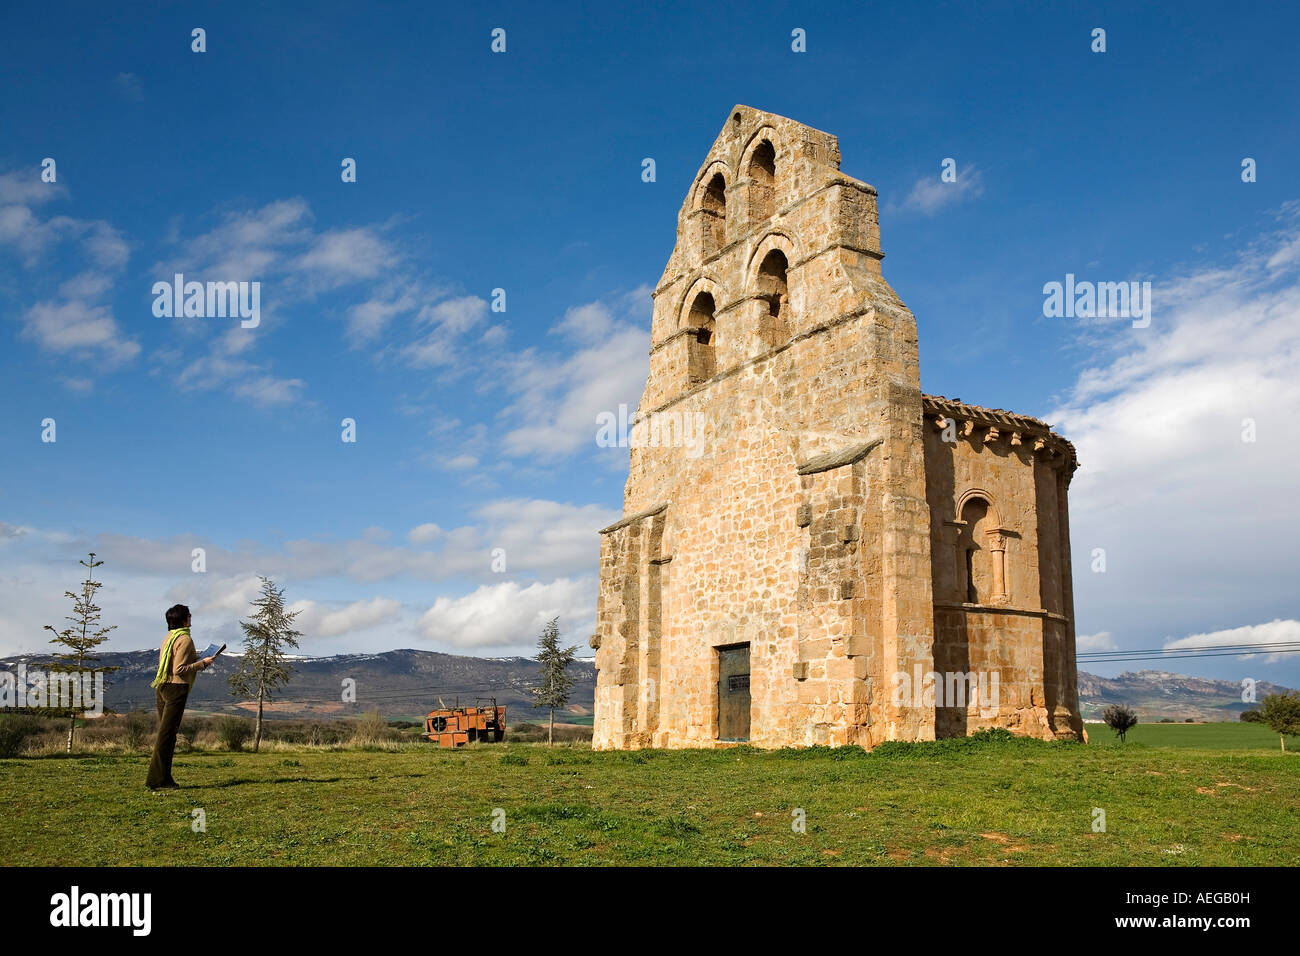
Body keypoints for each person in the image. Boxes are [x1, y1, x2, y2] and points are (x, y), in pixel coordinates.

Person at [145, 604, 215, 791]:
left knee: (166, 734)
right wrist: (203, 663)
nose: (191, 617)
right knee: (166, 736)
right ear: (183, 619)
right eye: (189, 615)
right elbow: (179, 669)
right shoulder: (185, 639)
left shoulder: (168, 638)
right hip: (176, 688)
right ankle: (156, 780)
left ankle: (165, 778)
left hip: (161, 686)